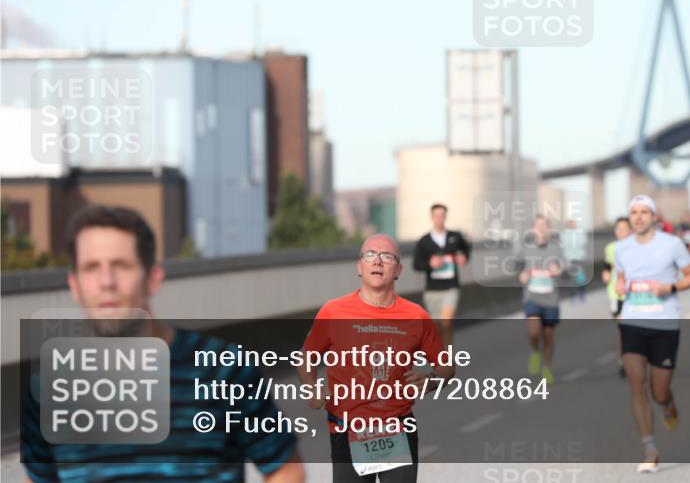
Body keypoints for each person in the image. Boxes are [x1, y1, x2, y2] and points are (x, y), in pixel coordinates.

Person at [21, 205, 305, 483]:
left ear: (153, 278)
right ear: (74, 284)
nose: (106, 282)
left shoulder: (223, 368)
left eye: (121, 265)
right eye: (91, 268)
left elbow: (284, 470)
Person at [298, 233, 455, 483]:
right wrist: (311, 387)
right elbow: (307, 357)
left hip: (397, 428)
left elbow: (446, 365)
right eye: (370, 255)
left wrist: (432, 379)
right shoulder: (333, 311)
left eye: (386, 256)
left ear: (398, 270)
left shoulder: (416, 316)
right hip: (347, 428)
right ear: (359, 267)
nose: (377, 261)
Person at [614, 195, 690, 473]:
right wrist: (621, 285)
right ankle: (650, 448)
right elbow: (621, 278)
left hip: (664, 324)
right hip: (632, 322)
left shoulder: (671, 244)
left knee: (658, 390)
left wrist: (670, 288)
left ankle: (668, 403)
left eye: (643, 212)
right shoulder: (621, 248)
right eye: (633, 213)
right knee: (636, 384)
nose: (638, 217)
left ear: (654, 217)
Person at [413, 203, 471, 348]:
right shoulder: (424, 241)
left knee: (446, 322)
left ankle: (446, 359)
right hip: (432, 290)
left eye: (442, 215)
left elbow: (466, 250)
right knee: (437, 327)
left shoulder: (455, 237)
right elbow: (416, 265)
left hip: (451, 287)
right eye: (436, 216)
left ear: (445, 217)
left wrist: (463, 257)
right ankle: (441, 354)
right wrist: (430, 264)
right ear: (432, 218)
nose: (439, 218)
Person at [520, 215, 567, 384]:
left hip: (551, 298)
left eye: (544, 225)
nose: (540, 228)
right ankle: (534, 351)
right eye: (537, 225)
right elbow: (516, 266)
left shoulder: (556, 248)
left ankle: (546, 367)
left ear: (549, 228)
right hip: (531, 297)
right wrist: (522, 275)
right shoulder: (525, 247)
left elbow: (565, 268)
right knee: (533, 331)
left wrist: (558, 269)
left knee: (548, 336)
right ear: (532, 229)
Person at [603, 216, 633, 378]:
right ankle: (623, 359)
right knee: (622, 327)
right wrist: (606, 273)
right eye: (618, 228)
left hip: (635, 293)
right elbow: (607, 266)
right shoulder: (610, 248)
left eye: (624, 228)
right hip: (616, 294)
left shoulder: (637, 247)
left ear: (631, 229)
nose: (621, 231)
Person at [560, 219, 589, 304]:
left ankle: (582, 293)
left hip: (579, 258)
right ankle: (572, 295)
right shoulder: (564, 233)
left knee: (581, 278)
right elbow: (563, 244)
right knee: (571, 279)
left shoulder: (580, 232)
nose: (571, 224)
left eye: (573, 223)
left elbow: (583, 242)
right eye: (570, 223)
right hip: (569, 258)